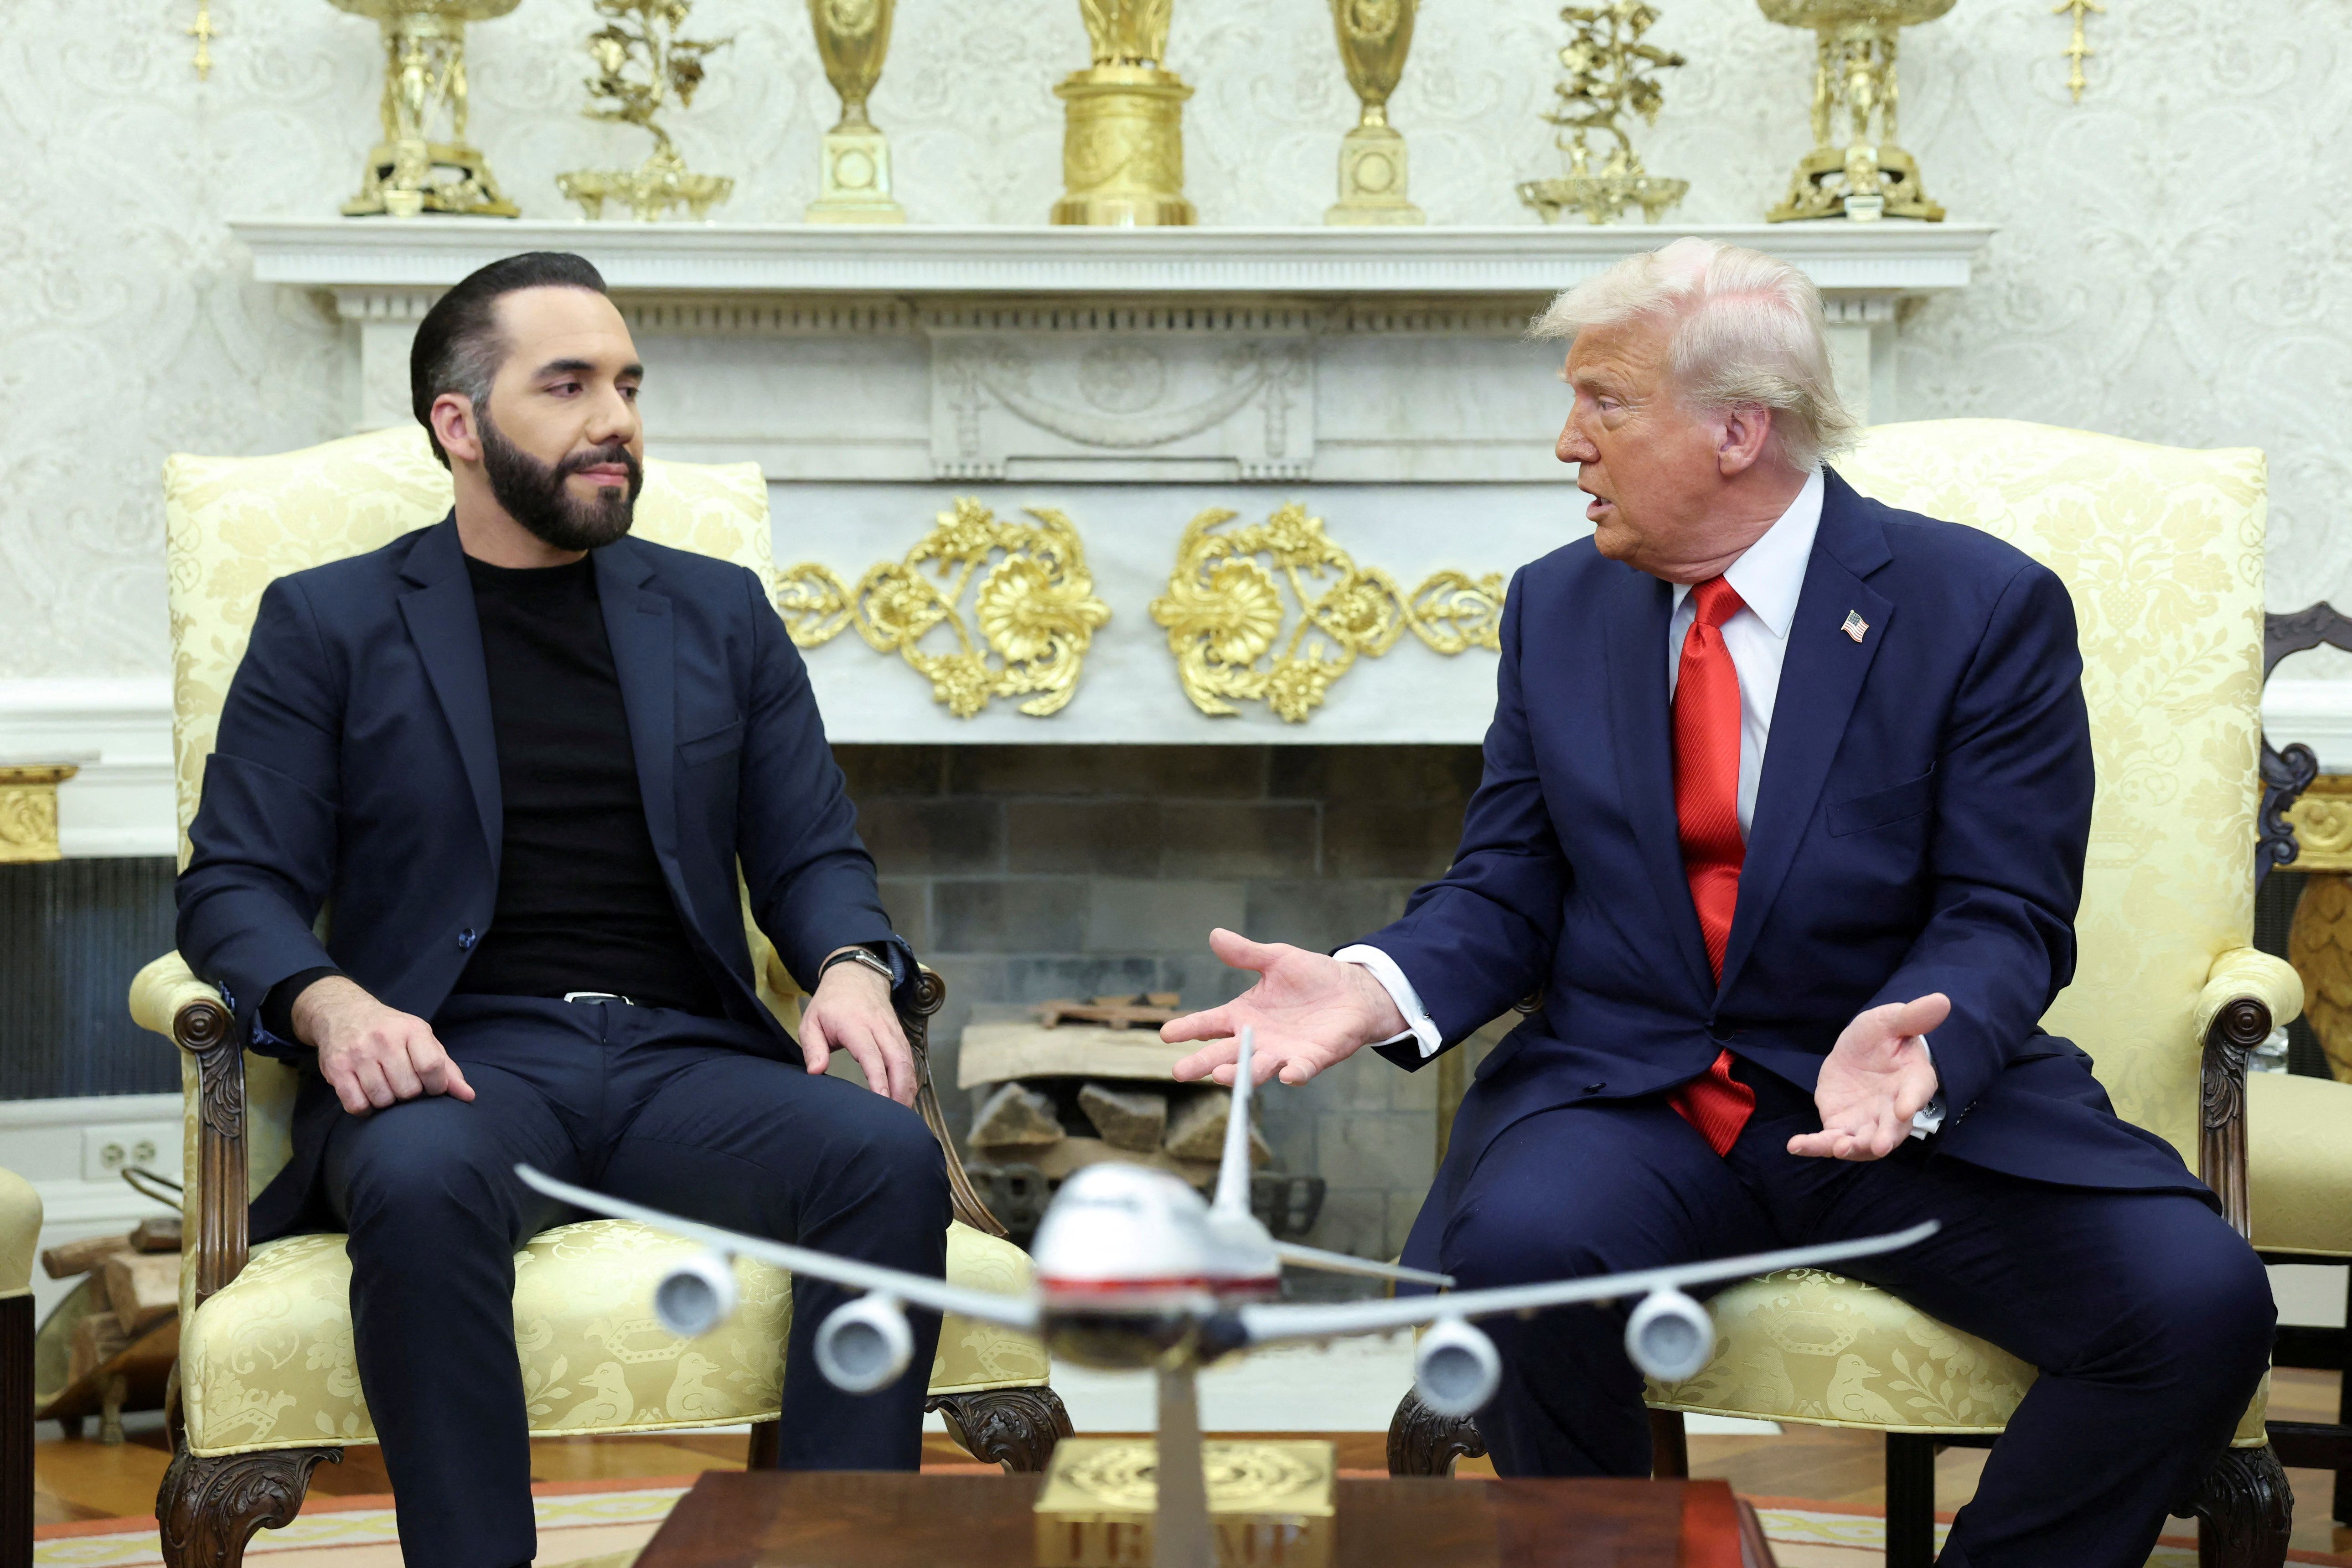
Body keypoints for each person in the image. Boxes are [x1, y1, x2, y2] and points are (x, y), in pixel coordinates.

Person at [1160, 238, 2273, 1565]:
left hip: (1892, 1100)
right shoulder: (1558, 608)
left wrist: (1928, 1041)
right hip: (1638, 1100)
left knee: (2195, 1304)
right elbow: (1509, 883)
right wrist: (1373, 984)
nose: (1567, 442)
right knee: (1518, 1260)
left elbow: (2006, 905)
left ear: (1740, 427)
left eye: (1605, 402)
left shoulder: (1976, 608)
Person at [176, 251, 949, 1568]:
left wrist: (852, 964)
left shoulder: (719, 615)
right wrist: (333, 1000)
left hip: (684, 1058)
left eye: (630, 385)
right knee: (415, 1181)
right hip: (459, 1063)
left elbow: (813, 852)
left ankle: (834, 1547)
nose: (618, 421)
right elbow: (235, 881)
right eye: (572, 385)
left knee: (883, 1157)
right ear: (460, 426)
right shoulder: (330, 623)